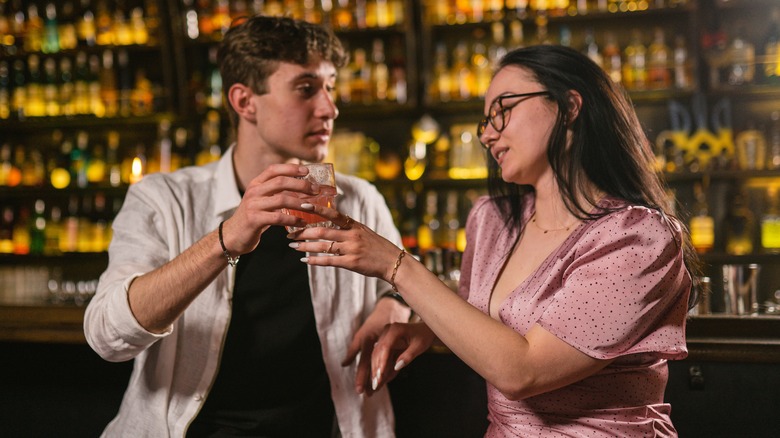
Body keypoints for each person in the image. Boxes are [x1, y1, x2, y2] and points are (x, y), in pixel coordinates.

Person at [288, 44, 700, 437]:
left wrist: (394, 265)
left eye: (503, 109)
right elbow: (483, 323)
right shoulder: (492, 220)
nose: (487, 135)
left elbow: (523, 372)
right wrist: (428, 331)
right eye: (485, 120)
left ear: (570, 107)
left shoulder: (637, 239)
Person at [83, 15, 410, 437]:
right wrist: (227, 238)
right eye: (306, 89)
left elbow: (405, 278)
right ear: (244, 102)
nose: (330, 107)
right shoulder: (164, 199)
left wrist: (395, 303)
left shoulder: (359, 198)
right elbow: (108, 338)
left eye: (330, 87)